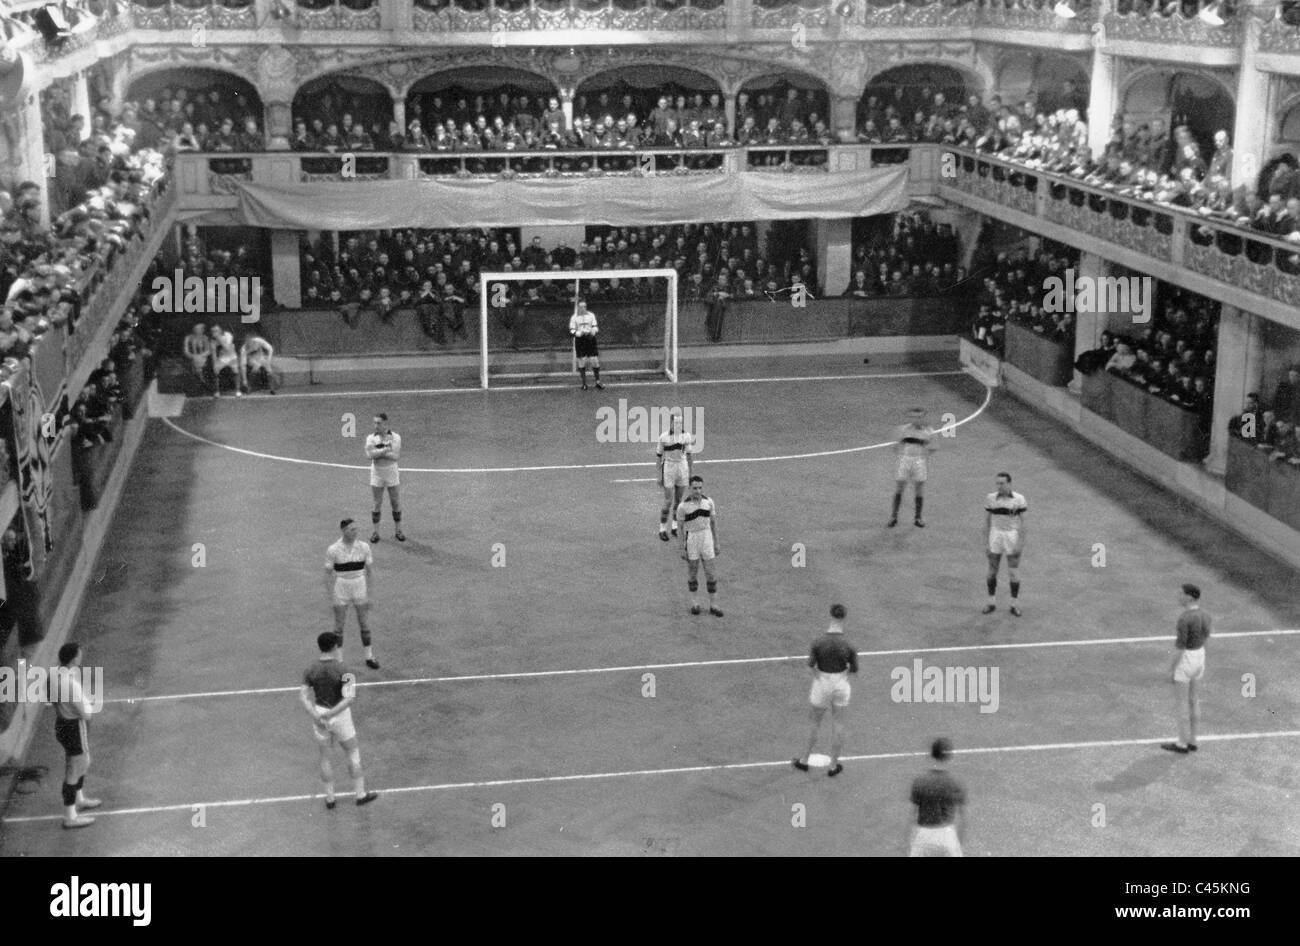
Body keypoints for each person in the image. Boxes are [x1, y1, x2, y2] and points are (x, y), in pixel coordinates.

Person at [299, 631, 379, 809]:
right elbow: (349, 698)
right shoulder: (344, 669)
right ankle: (360, 794)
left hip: (319, 713)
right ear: (334, 647)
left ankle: (330, 798)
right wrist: (332, 713)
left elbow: (303, 696)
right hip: (340, 715)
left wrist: (316, 714)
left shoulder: (310, 669)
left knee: (325, 758)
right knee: (352, 753)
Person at [792, 604, 857, 778]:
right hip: (841, 683)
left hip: (822, 682)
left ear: (831, 616)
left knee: (814, 722)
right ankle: (833, 765)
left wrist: (819, 676)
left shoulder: (819, 642)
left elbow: (810, 667)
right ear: (843, 618)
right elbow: (853, 670)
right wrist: (843, 675)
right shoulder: (848, 645)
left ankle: (804, 760)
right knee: (839, 723)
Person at [53, 642, 101, 829]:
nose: (81, 657)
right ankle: (70, 816)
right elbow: (86, 713)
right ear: (74, 658)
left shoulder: (55, 676)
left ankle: (79, 800)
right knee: (75, 769)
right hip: (75, 727)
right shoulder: (70, 684)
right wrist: (88, 704)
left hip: (62, 724)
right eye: (79, 655)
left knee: (81, 762)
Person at [325, 518, 379, 669]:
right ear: (343, 531)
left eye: (356, 529)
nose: (355, 532)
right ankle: (339, 660)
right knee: (338, 627)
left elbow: (370, 572)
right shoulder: (333, 550)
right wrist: (332, 597)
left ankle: (369, 656)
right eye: (351, 530)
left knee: (364, 623)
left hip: (359, 586)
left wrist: (370, 595)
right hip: (341, 587)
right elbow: (327, 574)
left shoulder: (364, 547)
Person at [1162, 583, 1210, 754]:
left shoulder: (1184, 618)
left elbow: (1180, 648)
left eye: (1181, 594)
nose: (1178, 596)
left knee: (1181, 703)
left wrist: (1170, 670)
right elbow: (1206, 635)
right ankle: (1193, 740)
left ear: (1189, 597)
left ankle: (1182, 743)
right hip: (1200, 656)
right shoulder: (1205, 615)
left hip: (1187, 659)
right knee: (1194, 700)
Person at [907, 737, 966, 856]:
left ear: (932, 755)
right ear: (949, 757)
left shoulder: (920, 781)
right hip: (947, 835)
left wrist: (910, 843)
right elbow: (963, 819)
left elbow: (911, 816)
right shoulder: (955, 782)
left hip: (924, 835)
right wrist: (957, 845)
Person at [676, 474, 721, 617]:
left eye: (700, 488)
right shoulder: (683, 507)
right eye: (695, 488)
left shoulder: (709, 502)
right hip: (692, 540)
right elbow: (680, 529)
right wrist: (681, 548)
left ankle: (713, 605)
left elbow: (713, 523)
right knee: (693, 572)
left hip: (706, 538)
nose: (698, 491)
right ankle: (695, 603)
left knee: (711, 573)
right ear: (690, 488)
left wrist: (716, 542)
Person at [983, 472, 1028, 616]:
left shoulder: (1019, 499)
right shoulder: (990, 498)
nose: (999, 486)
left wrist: (1020, 544)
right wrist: (986, 543)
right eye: (998, 483)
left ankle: (1014, 605)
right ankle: (991, 602)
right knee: (992, 570)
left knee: (1013, 572)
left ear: (1009, 483)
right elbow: (986, 522)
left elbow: (1024, 523)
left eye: (1002, 483)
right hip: (995, 536)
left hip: (1011, 536)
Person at [889, 407, 935, 528]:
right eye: (914, 417)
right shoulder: (903, 429)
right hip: (905, 459)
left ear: (923, 417)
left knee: (919, 489)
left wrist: (925, 454)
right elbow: (895, 445)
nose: (916, 419)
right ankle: (893, 517)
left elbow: (934, 446)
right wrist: (902, 453)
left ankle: (918, 518)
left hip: (919, 461)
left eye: (919, 417)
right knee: (899, 488)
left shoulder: (928, 431)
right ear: (910, 417)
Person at [656, 410, 695, 542]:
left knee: (678, 501)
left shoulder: (686, 436)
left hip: (682, 468)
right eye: (676, 422)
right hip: (669, 468)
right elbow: (659, 457)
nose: (678, 424)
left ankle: (673, 527)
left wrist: (690, 473)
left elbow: (689, 456)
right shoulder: (664, 437)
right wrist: (659, 476)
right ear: (671, 422)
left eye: (680, 422)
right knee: (668, 501)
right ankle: (662, 528)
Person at [364, 413, 404, 543]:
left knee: (395, 502)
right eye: (374, 423)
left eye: (379, 423)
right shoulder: (370, 438)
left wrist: (378, 452)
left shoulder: (396, 437)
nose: (376, 426)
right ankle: (375, 532)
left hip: (391, 472)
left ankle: (398, 530)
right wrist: (385, 450)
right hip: (377, 473)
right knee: (377, 503)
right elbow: (369, 455)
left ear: (385, 423)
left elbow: (395, 456)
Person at [569, 299, 603, 391]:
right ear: (578, 307)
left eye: (584, 306)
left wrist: (593, 331)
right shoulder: (574, 317)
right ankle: (584, 383)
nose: (583, 308)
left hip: (590, 339)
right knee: (581, 360)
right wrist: (578, 333)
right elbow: (571, 330)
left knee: (594, 360)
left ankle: (598, 381)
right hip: (580, 340)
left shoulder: (591, 315)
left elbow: (595, 326)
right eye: (581, 306)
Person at [239, 329, 278, 394]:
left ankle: (272, 388)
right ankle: (249, 386)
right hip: (251, 360)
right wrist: (244, 380)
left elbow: (270, 348)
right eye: (248, 342)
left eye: (252, 341)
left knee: (269, 370)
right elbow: (243, 365)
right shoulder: (243, 349)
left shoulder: (259, 341)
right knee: (256, 366)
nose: (251, 343)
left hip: (261, 358)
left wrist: (269, 359)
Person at [208, 324, 240, 398]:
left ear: (220, 330)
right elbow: (213, 354)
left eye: (216, 330)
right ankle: (217, 392)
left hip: (232, 356)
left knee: (235, 370)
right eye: (213, 331)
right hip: (222, 358)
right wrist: (215, 364)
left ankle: (238, 390)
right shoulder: (212, 340)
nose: (214, 332)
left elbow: (227, 348)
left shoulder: (228, 335)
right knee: (215, 369)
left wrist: (219, 339)